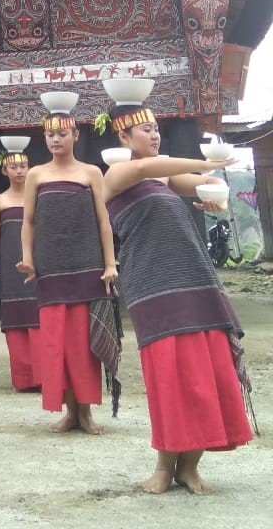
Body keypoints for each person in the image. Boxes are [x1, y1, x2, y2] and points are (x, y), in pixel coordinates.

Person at [101, 93, 254, 494]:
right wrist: (206, 161)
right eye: (147, 129)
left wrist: (213, 190)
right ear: (124, 135)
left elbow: (200, 183)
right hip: (153, 283)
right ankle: (163, 465)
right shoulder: (115, 175)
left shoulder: (163, 177)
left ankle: (190, 467)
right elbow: (153, 165)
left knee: (205, 371)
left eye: (156, 128)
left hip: (193, 276)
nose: (155, 135)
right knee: (170, 376)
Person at [18, 97, 119, 434]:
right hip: (51, 267)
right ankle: (69, 412)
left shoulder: (91, 173)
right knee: (56, 343)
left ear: (76, 135)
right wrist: (28, 259)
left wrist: (109, 263)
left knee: (82, 343)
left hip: (86, 265)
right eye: (49, 135)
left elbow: (103, 221)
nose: (55, 140)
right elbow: (28, 221)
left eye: (62, 134)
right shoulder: (36, 174)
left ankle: (86, 413)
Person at [0, 140, 42, 392]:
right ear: (4, 171)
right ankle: (24, 379)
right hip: (11, 264)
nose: (20, 171)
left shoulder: (37, 196)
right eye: (14, 167)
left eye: (23, 166)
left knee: (40, 318)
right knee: (17, 321)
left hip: (36, 262)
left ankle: (44, 376)